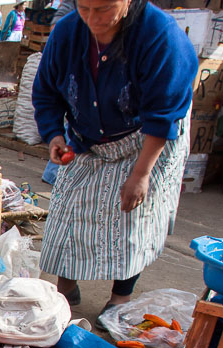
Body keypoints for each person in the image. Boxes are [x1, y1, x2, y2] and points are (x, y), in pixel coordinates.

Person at [32, 0, 197, 312]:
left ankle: (121, 296)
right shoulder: (67, 33)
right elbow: (46, 93)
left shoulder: (160, 36)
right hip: (87, 137)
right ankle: (65, 285)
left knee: (133, 217)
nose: (93, 18)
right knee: (68, 210)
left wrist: (141, 174)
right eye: (84, 8)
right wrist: (54, 134)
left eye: (104, 8)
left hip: (147, 138)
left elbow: (163, 116)